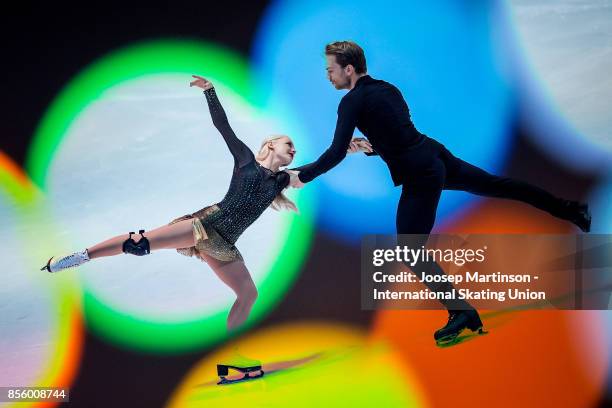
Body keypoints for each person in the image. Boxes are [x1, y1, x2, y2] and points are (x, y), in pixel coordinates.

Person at [291, 41, 591, 345]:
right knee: (498, 185)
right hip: (433, 154)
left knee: (409, 250)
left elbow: (335, 152)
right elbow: (398, 134)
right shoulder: (387, 88)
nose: (329, 76)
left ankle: (461, 312)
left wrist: (302, 176)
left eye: (331, 69)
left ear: (349, 69)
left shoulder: (351, 102)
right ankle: (572, 210)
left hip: (420, 172)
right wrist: (371, 148)